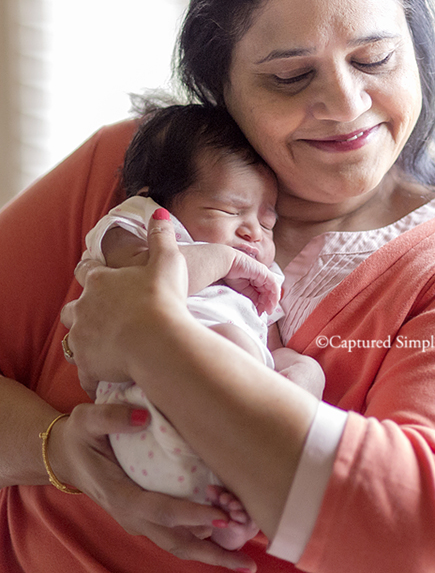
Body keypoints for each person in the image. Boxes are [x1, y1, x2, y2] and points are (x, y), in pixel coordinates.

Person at [0, 0, 435, 572]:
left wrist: (151, 341)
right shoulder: (147, 169)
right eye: (291, 77)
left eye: (374, 58)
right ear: (218, 84)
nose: (348, 104)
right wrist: (60, 453)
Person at [84, 103, 326, 552]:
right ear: (154, 198)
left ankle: (242, 510)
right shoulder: (141, 223)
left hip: (227, 438)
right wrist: (226, 260)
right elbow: (144, 281)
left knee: (306, 369)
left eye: (267, 221)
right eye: (229, 210)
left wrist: (286, 365)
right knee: (229, 343)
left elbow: (268, 348)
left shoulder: (256, 284)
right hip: (147, 411)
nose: (254, 232)